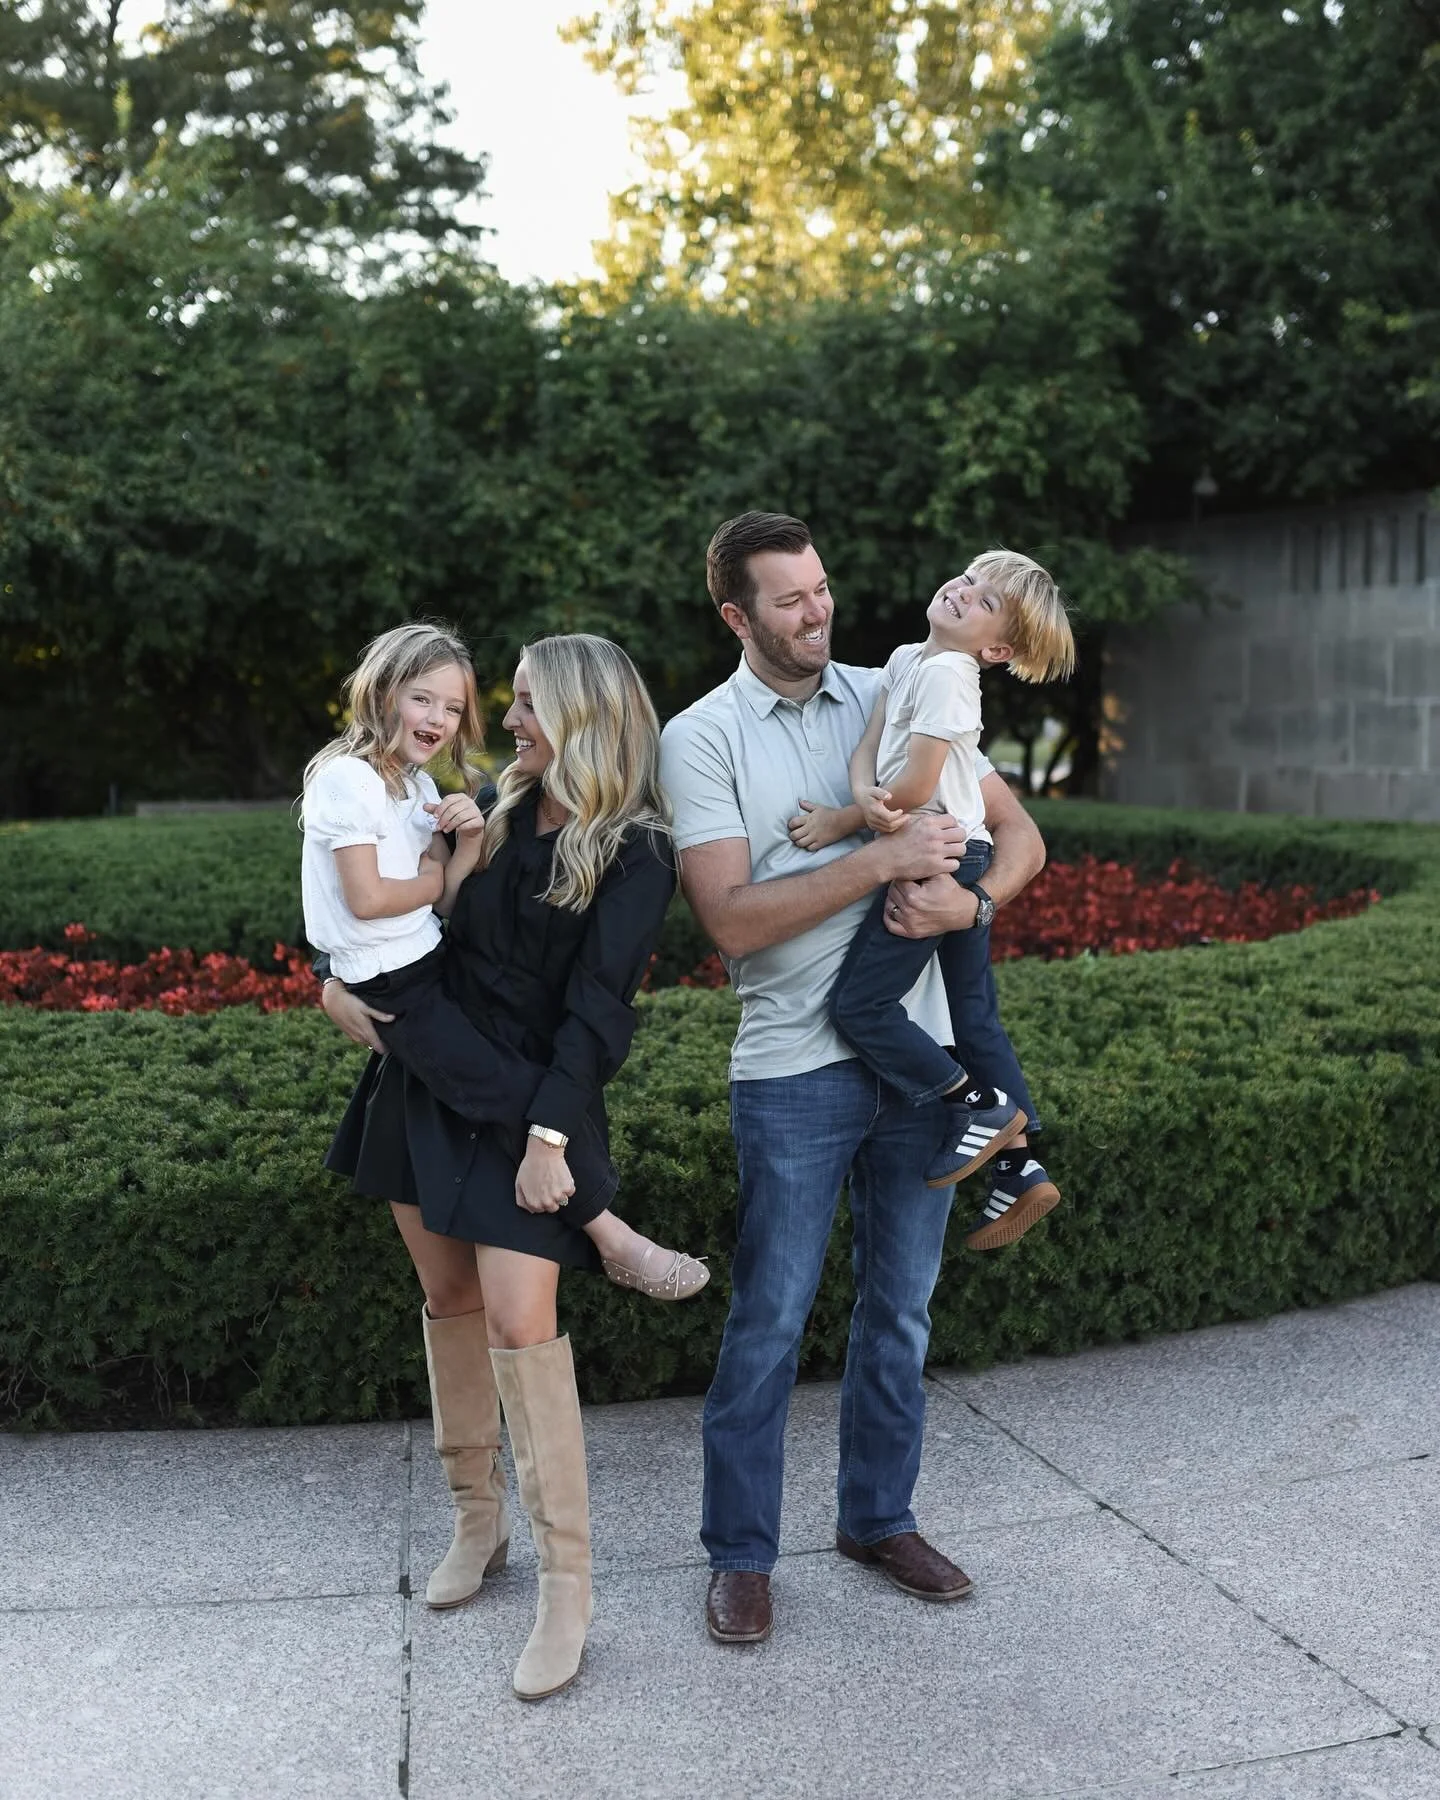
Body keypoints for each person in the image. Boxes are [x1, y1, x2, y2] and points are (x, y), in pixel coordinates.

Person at [659, 511, 1046, 1647]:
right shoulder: (702, 738)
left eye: (821, 588)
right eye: (789, 599)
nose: (817, 610)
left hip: (917, 1070)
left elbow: (1017, 836)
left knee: (902, 1313)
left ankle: (879, 1519)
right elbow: (729, 917)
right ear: (737, 615)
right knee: (770, 1318)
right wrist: (877, 857)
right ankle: (740, 1554)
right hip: (792, 1070)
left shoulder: (905, 683)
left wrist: (973, 903)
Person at [317, 631, 704, 1702]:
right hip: (422, 1077)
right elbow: (375, 898)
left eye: (529, 702)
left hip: (537, 1110)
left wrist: (548, 1144)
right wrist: (329, 985)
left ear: (584, 714)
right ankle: (475, 1524)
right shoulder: (486, 801)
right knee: (446, 1296)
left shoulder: (636, 849)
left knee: (520, 1324)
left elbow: (599, 1014)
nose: (510, 718)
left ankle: (567, 1588)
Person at [790, 551, 1074, 1249]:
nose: (963, 591)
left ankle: (973, 1103)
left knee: (859, 1006)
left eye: (984, 603)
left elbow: (915, 786)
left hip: (942, 852)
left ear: (997, 648)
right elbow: (872, 750)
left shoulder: (951, 675)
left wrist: (841, 821)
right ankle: (1018, 1165)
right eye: (970, 580)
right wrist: (858, 795)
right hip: (952, 844)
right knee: (972, 1013)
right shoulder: (909, 658)